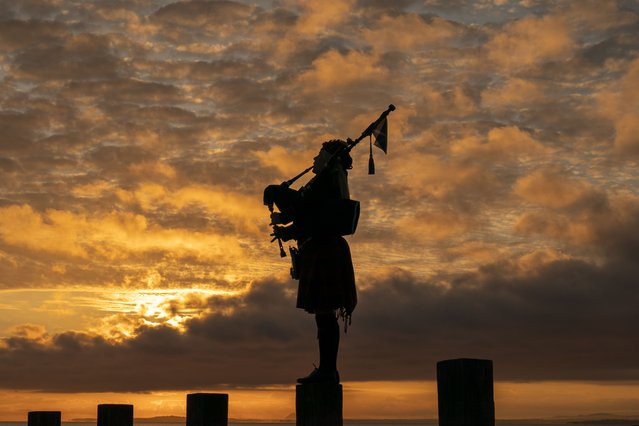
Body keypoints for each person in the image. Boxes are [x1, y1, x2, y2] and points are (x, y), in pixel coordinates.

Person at [268, 139, 357, 384]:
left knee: (325, 313)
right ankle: (327, 369)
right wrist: (287, 228)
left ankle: (328, 371)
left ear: (330, 159)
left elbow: (308, 212)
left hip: (325, 252)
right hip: (323, 250)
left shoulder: (326, 184)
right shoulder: (327, 185)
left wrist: (279, 194)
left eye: (320, 154)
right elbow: (309, 217)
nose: (314, 160)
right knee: (323, 314)